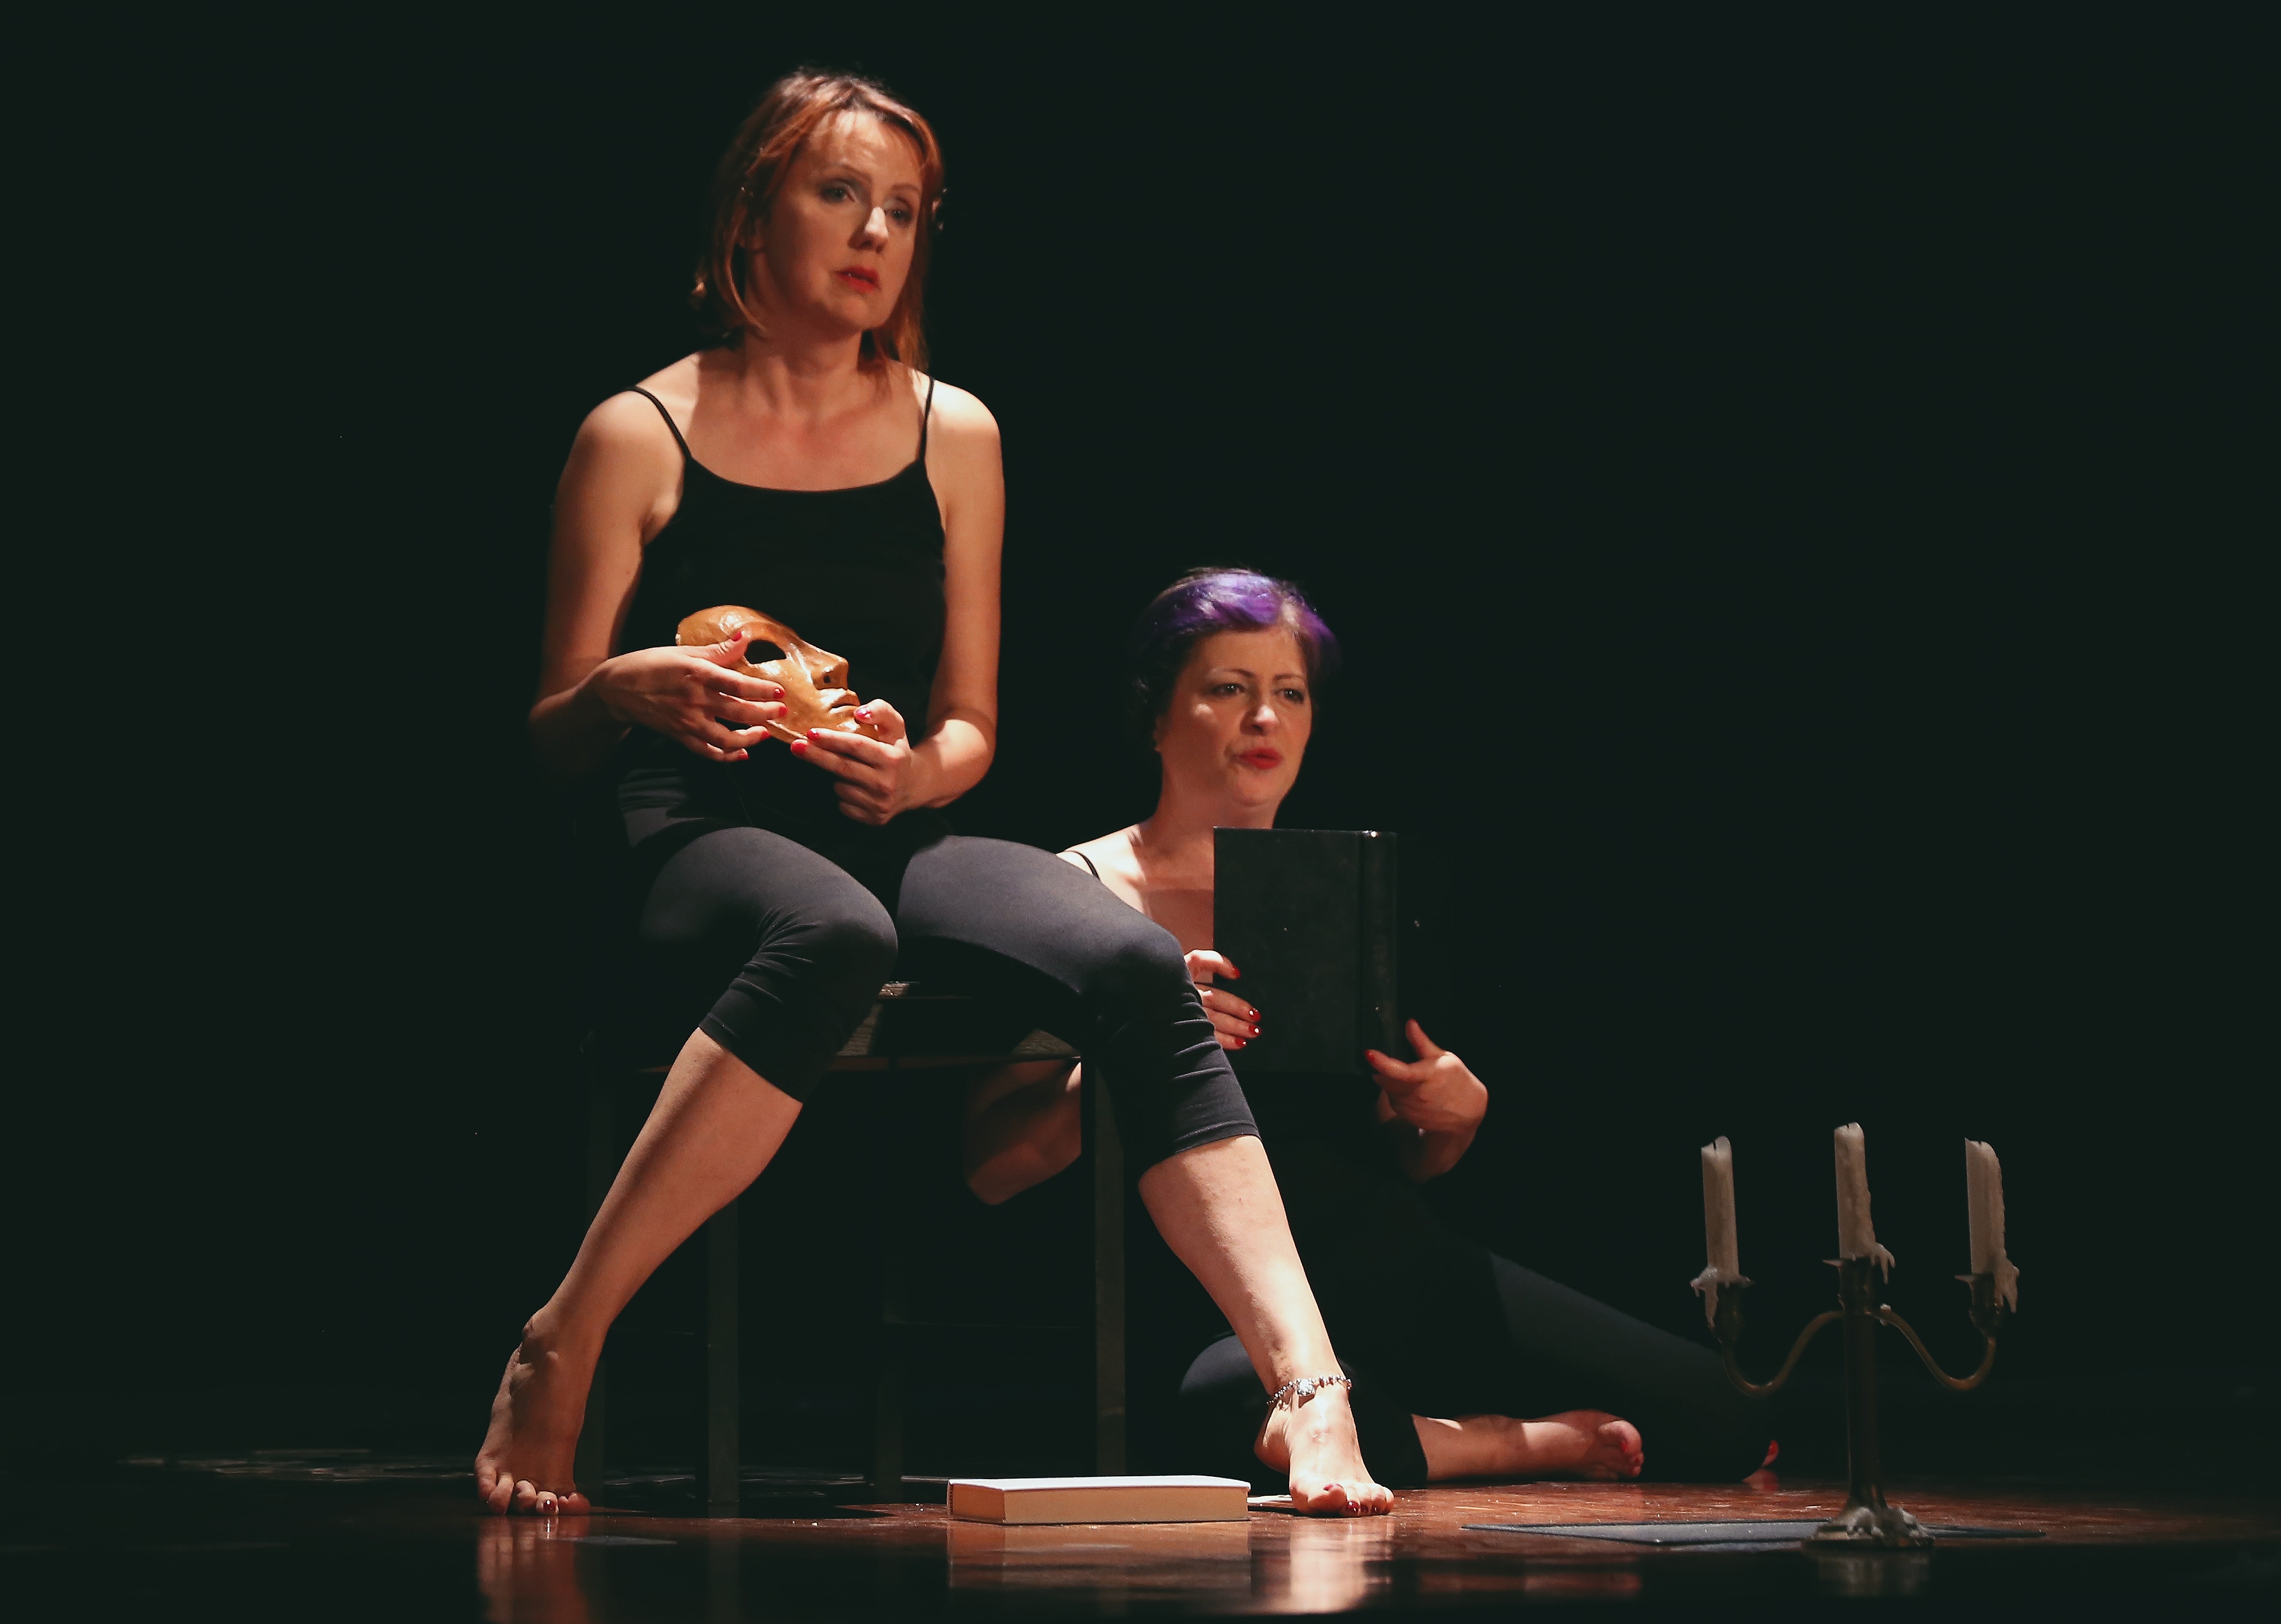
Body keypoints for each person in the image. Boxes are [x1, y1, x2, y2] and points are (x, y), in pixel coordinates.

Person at [478, 73, 1391, 1518]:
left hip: (885, 819)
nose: (874, 235)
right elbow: (548, 733)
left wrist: (911, 768)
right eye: (839, 195)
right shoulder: (637, 433)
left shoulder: (950, 432)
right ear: (751, 215)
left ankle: (1308, 1389)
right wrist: (622, 688)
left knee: (1132, 961)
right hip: (695, 831)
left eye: (903, 211)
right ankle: (562, 1339)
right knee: (833, 936)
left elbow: (972, 726)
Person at [964, 569, 1774, 1487]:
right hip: (1212, 1310)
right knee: (1219, 1404)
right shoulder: (1081, 894)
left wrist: (1448, 1119)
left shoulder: (1339, 890)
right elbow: (992, 1167)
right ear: (1156, 717)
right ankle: (1495, 1442)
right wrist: (1135, 1045)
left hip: (1387, 1269)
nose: (1264, 718)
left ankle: (1406, 1423)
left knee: (1728, 1419)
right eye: (1229, 687)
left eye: (1290, 693)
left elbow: (1397, 1154)